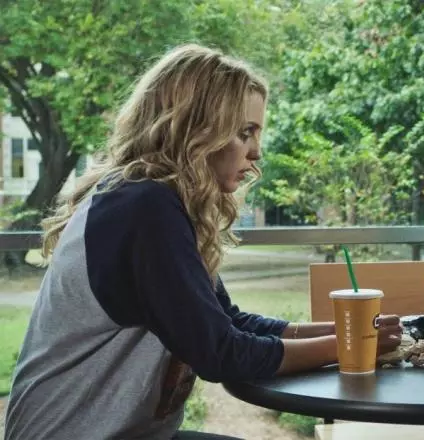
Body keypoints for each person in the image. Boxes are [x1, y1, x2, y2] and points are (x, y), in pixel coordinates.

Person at [3, 44, 402, 440]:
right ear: (195, 129)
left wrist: (349, 332)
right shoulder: (143, 208)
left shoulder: (145, 196)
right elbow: (220, 352)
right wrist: (352, 345)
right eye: (245, 132)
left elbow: (229, 322)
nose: (257, 152)